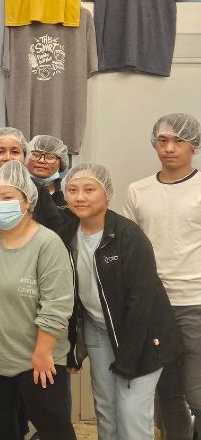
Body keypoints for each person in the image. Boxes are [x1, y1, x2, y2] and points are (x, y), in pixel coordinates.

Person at [59, 163, 180, 440]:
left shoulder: (129, 236)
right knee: (106, 409)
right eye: (73, 190)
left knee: (131, 414)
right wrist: (71, 348)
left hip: (142, 336)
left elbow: (142, 303)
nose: (80, 197)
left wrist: (128, 359)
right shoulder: (65, 235)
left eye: (90, 189)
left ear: (108, 194)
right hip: (98, 330)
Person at [0, 160, 75, 440]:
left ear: (27, 202)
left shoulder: (47, 243)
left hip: (38, 358)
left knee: (54, 428)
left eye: (7, 198)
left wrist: (42, 353)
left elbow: (57, 305)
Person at [124, 113, 201, 439]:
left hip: (195, 302)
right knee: (167, 392)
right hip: (155, 306)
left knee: (196, 392)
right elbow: (131, 252)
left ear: (193, 145)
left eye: (178, 141)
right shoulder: (138, 191)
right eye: (162, 140)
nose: (169, 148)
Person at [27, 135, 71, 218]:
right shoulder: (16, 190)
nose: (41, 160)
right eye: (36, 154)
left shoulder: (69, 192)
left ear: (61, 163)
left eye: (50, 157)